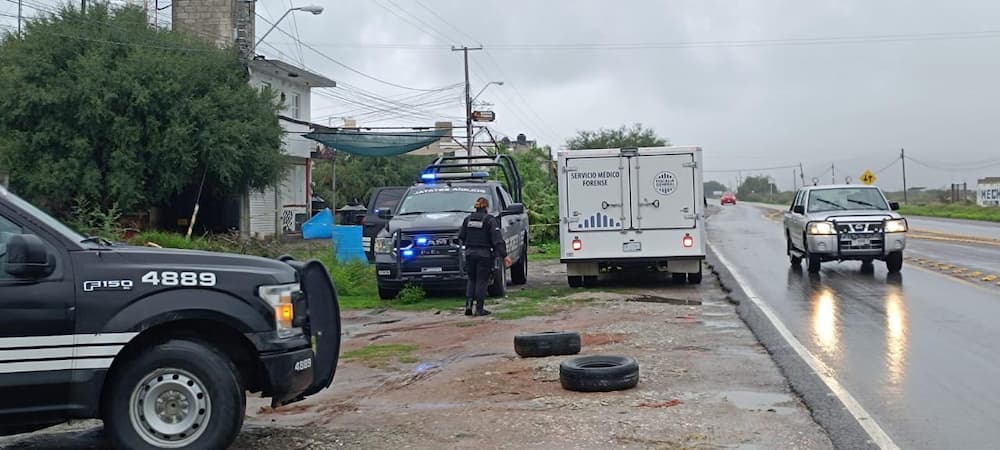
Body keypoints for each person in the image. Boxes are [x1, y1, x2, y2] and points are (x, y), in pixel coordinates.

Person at [458, 197, 512, 316]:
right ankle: (479, 309)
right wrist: (505, 255)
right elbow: (497, 240)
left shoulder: (468, 219)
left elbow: (461, 236)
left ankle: (468, 305)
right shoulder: (489, 220)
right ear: (486, 207)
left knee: (471, 280)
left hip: (469, 253)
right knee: (482, 281)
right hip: (484, 255)